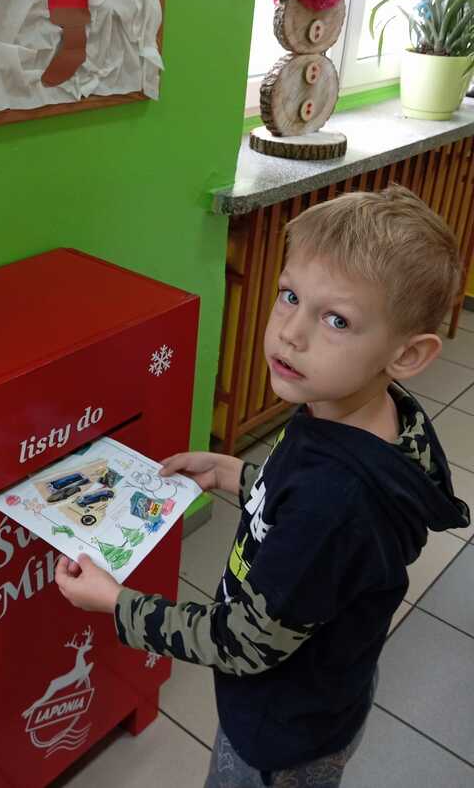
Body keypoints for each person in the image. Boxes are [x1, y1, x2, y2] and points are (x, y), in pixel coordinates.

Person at [55, 185, 471, 787]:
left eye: (336, 319)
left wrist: (116, 603)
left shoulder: (336, 503)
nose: (290, 333)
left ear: (407, 354)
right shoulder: (356, 410)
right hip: (328, 683)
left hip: (283, 730)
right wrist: (237, 474)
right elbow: (305, 501)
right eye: (289, 295)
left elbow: (242, 642)